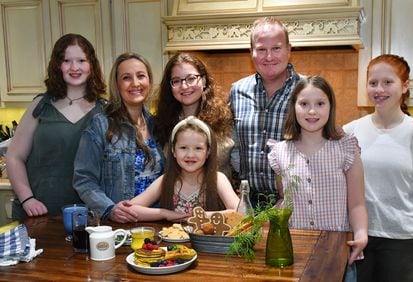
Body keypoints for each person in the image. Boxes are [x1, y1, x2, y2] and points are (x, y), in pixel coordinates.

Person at [343, 54, 413, 282]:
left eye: (388, 82)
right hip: (359, 235)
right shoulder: (351, 131)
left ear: (405, 86)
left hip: (403, 238)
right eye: (373, 83)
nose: (379, 89)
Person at [268, 76, 368, 281]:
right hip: (295, 251)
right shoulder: (279, 152)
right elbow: (282, 198)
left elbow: (357, 203)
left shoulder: (346, 148)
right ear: (293, 107)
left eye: (320, 104)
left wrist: (361, 235)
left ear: (330, 107)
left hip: (337, 251)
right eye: (304, 104)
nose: (312, 111)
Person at [5, 33, 106, 219]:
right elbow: (14, 157)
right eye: (66, 60)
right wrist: (28, 199)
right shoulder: (41, 105)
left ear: (91, 65)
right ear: (57, 65)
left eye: (81, 60)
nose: (74, 67)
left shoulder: (104, 111)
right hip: (37, 212)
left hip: (88, 215)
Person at [73, 52, 165, 223]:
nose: (135, 83)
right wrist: (110, 209)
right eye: (126, 78)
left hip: (158, 222)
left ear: (149, 82)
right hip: (119, 226)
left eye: (141, 76)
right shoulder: (100, 125)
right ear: (116, 85)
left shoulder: (158, 126)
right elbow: (84, 180)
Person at [229, 16, 302, 206]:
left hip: (295, 202)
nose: (269, 57)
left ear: (289, 50)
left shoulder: (307, 90)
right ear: (251, 52)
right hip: (247, 202)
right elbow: (232, 146)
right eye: (261, 49)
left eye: (276, 48)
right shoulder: (237, 91)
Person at [128, 116, 240, 221]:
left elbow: (240, 212)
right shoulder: (166, 180)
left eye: (198, 148)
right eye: (183, 148)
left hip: (208, 240)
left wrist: (202, 216)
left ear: (208, 152)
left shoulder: (218, 179)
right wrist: (163, 213)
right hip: (173, 241)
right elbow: (130, 209)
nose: (190, 154)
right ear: (173, 151)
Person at [153, 53, 234, 178]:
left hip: (218, 194)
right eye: (176, 81)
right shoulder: (161, 123)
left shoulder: (225, 118)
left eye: (191, 78)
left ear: (204, 80)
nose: (184, 86)